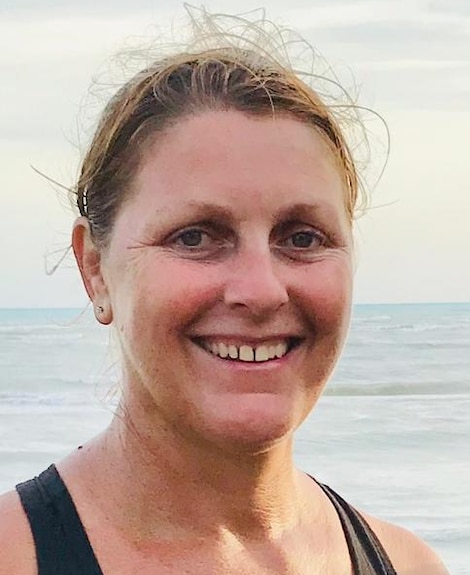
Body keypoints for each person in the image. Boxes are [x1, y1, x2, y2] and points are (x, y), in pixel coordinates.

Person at [0, 10, 446, 575]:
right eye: (195, 237)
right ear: (95, 268)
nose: (261, 290)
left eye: (302, 237)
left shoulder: (407, 564)